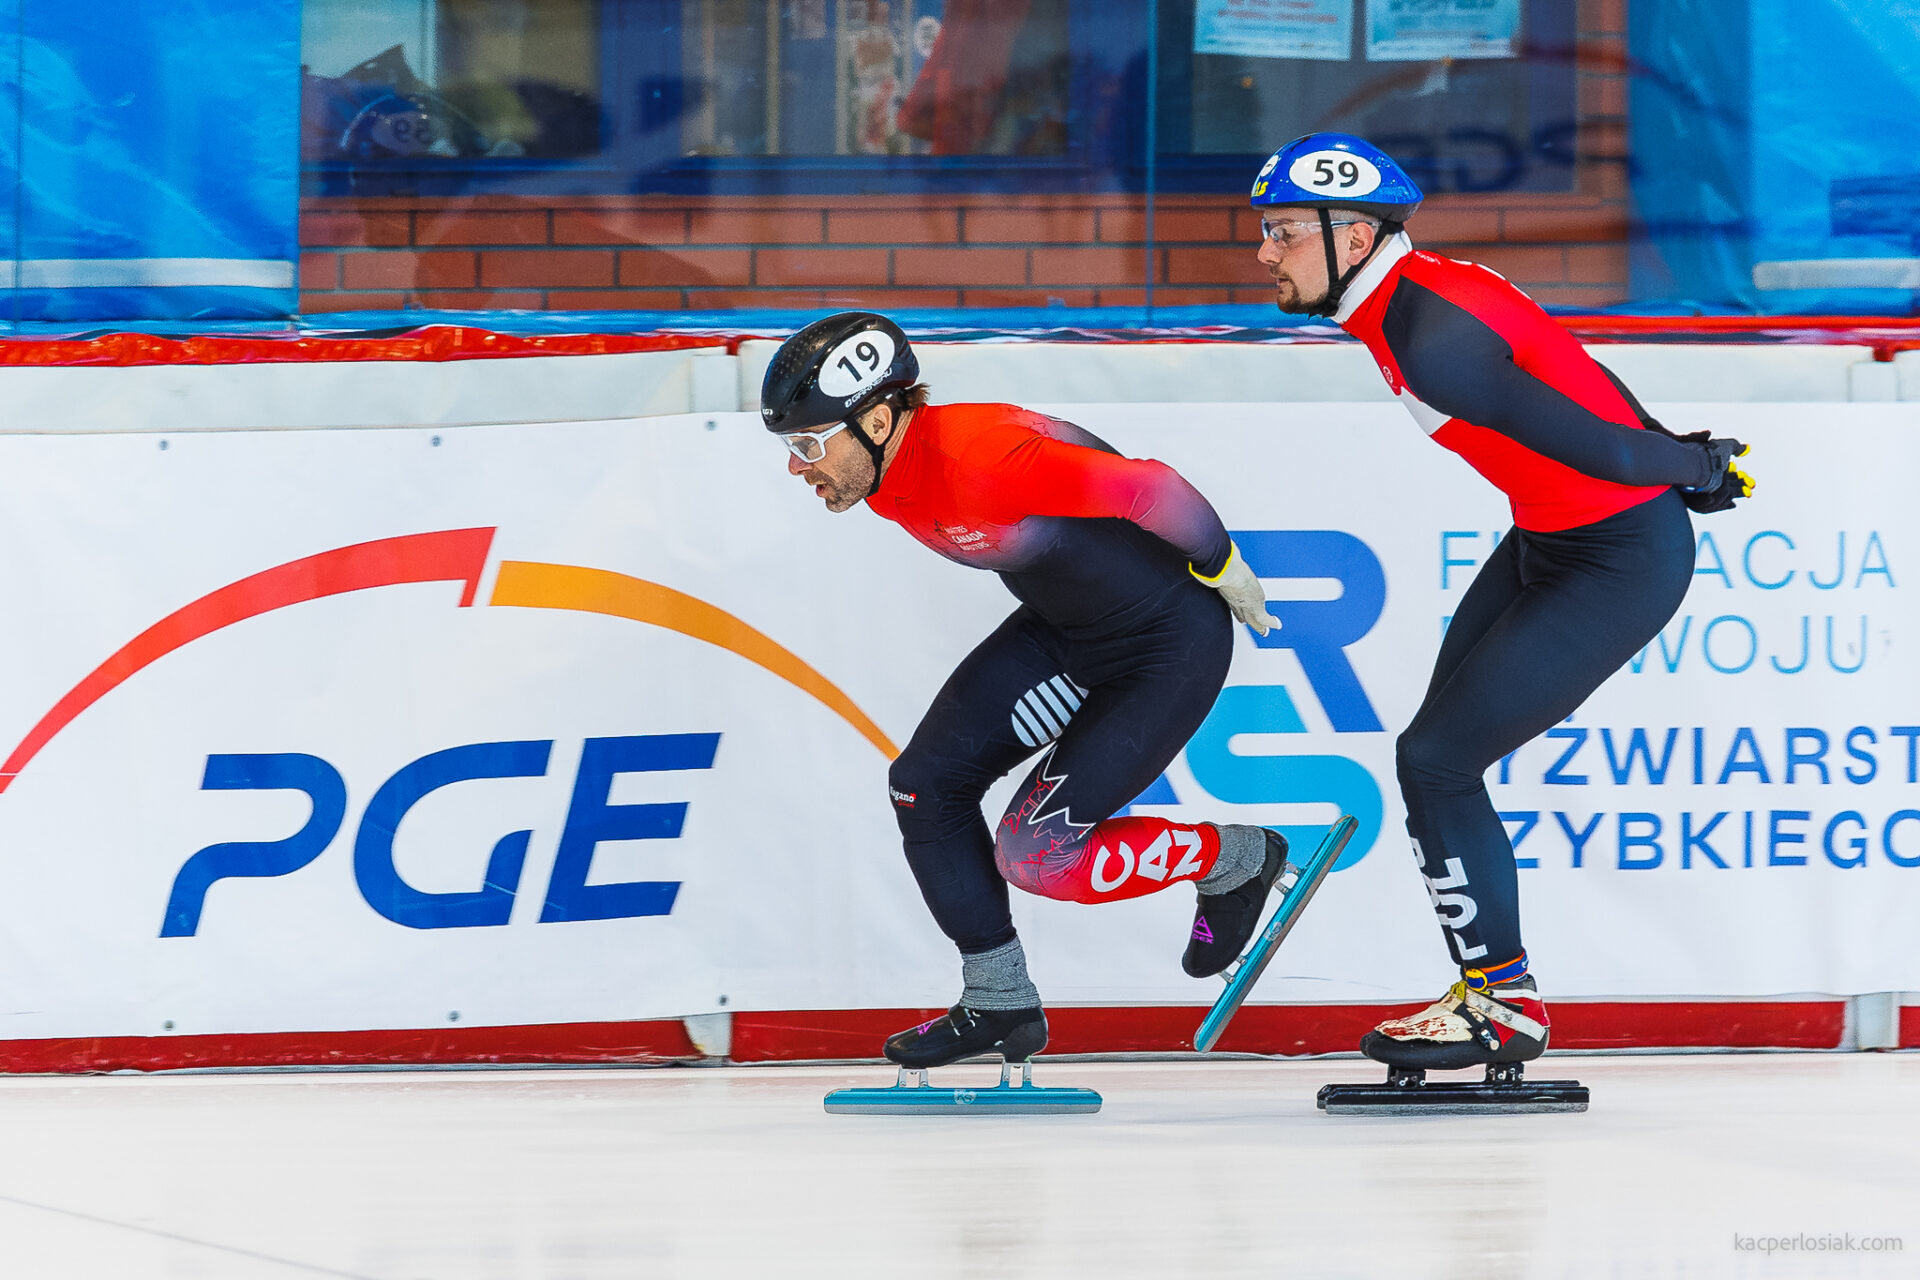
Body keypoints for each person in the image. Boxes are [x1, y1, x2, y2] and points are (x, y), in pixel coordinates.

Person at [1247, 133, 1754, 1074]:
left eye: (1283, 231)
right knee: (1431, 761)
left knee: (1435, 761)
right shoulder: (1414, 293)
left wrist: (1689, 464)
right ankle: (1490, 994)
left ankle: (1503, 1006)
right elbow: (1581, 375)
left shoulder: (1432, 337)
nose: (1265, 250)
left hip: (1617, 559)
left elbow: (1603, 444)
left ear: (1353, 237)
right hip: (1550, 540)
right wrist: (1683, 453)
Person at [761, 310, 1288, 1070]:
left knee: (1036, 855)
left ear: (876, 420)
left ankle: (1235, 858)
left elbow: (1153, 488)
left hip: (1166, 649)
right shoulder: (882, 477)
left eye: (808, 444)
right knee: (923, 788)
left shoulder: (980, 457)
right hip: (1068, 633)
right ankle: (999, 1000)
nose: (797, 467)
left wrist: (1222, 566)